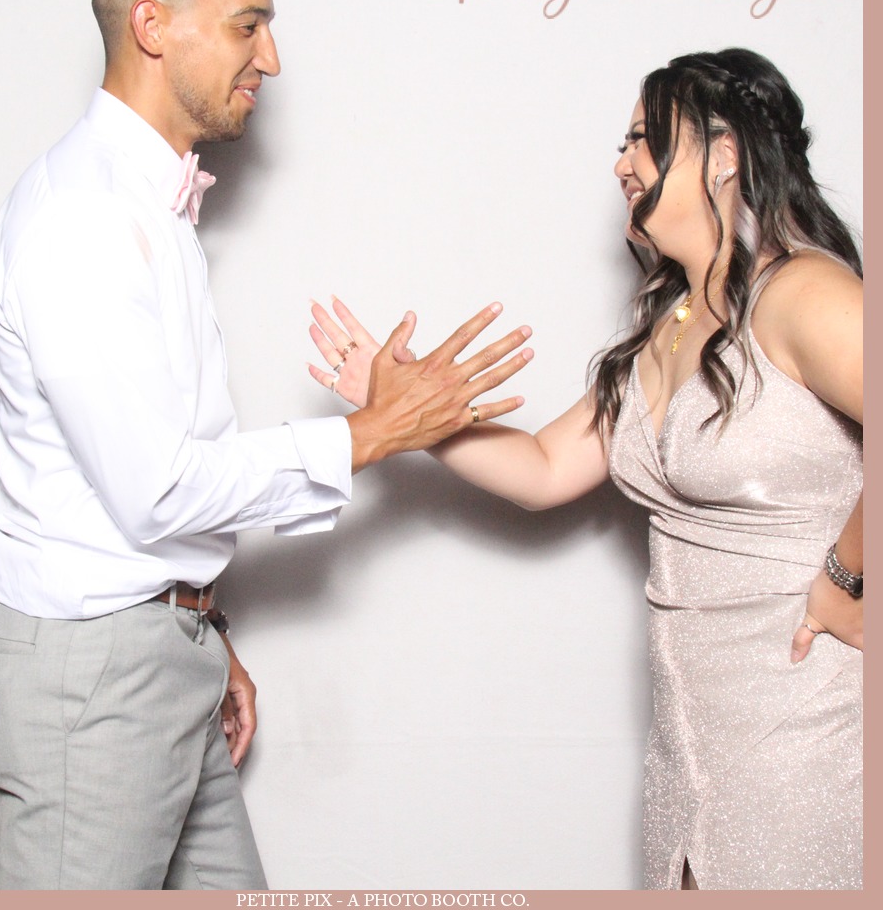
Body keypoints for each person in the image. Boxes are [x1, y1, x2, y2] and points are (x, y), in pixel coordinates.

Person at [0, 0, 533, 891]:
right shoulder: (83, 218)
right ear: (153, 26)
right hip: (89, 680)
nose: (271, 57)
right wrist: (373, 432)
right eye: (248, 26)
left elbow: (139, 478)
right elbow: (157, 490)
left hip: (153, 651)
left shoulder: (148, 205)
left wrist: (199, 626)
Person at [310, 48, 863, 890]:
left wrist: (847, 577)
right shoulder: (672, 325)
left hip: (809, 719)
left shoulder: (803, 292)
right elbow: (542, 468)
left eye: (643, 139)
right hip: (692, 740)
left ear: (723, 154)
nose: (622, 164)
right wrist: (409, 416)